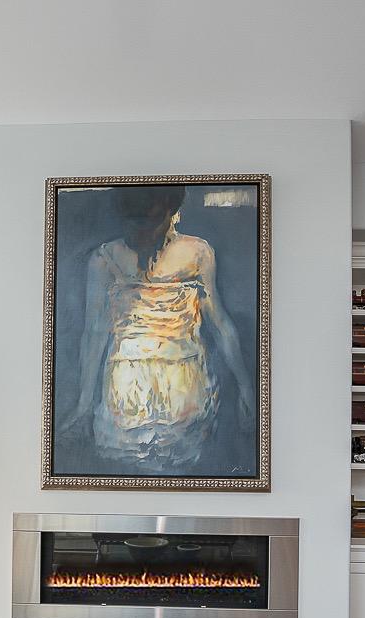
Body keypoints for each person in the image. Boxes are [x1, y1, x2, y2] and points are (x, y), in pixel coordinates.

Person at [66, 186, 255, 473]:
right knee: (127, 468)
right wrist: (82, 404)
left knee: (180, 467)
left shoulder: (197, 252)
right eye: (135, 222)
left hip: (184, 380)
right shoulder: (104, 258)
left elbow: (219, 322)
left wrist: (246, 387)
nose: (143, 230)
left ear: (171, 213)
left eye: (152, 221)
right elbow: (94, 332)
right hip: (125, 384)